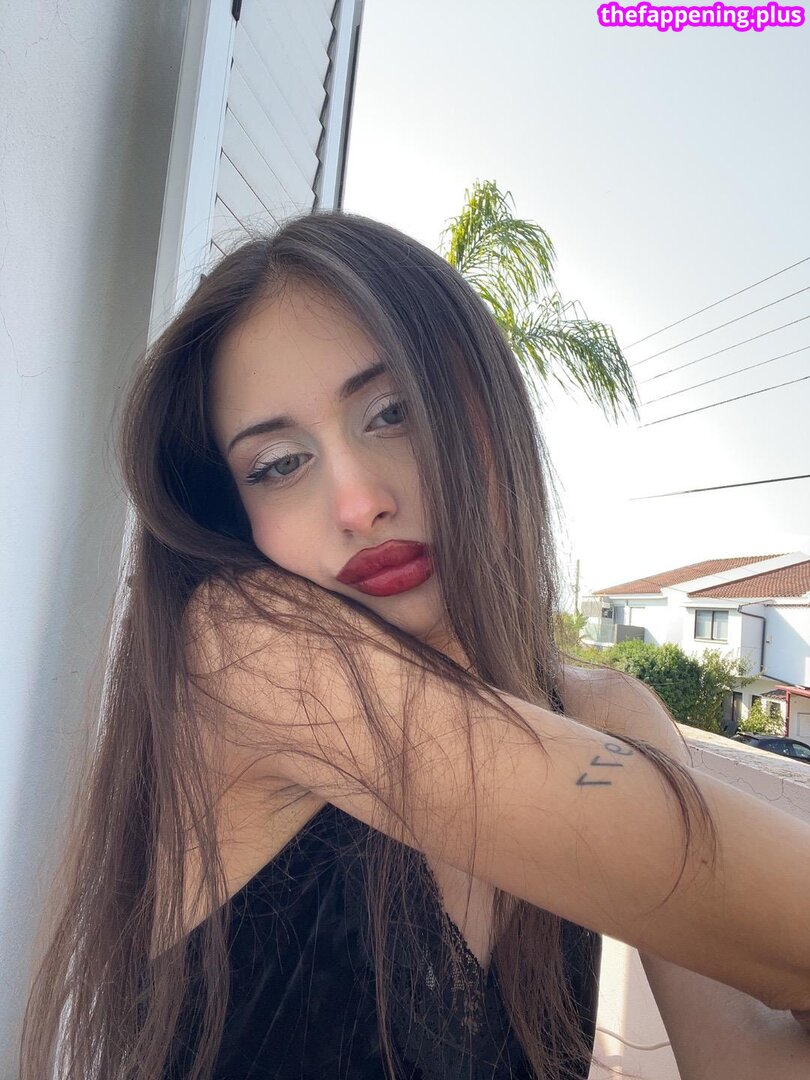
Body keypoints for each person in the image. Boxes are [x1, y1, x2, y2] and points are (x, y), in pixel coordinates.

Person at [18, 211, 810, 1080]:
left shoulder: (609, 712)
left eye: (391, 411)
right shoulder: (243, 653)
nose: (358, 503)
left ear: (487, 410)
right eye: (278, 464)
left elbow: (741, 1053)